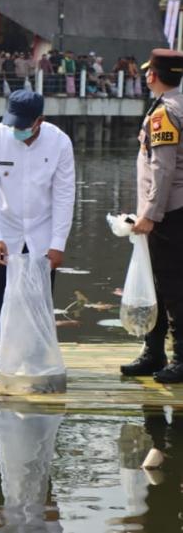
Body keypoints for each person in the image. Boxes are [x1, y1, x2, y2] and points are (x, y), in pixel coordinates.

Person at [0, 91, 75, 381]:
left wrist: (57, 244)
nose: (17, 130)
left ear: (40, 121)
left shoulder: (59, 142)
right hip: (4, 226)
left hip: (42, 229)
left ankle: (34, 361)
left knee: (39, 298)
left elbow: (64, 196)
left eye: (24, 124)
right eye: (13, 123)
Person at [120, 49, 183, 383]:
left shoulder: (165, 113)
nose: (145, 76)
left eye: (148, 72)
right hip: (173, 210)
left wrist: (150, 215)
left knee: (171, 286)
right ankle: (154, 351)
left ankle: (176, 357)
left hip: (169, 212)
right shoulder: (174, 105)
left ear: (154, 75)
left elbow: (163, 169)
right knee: (160, 283)